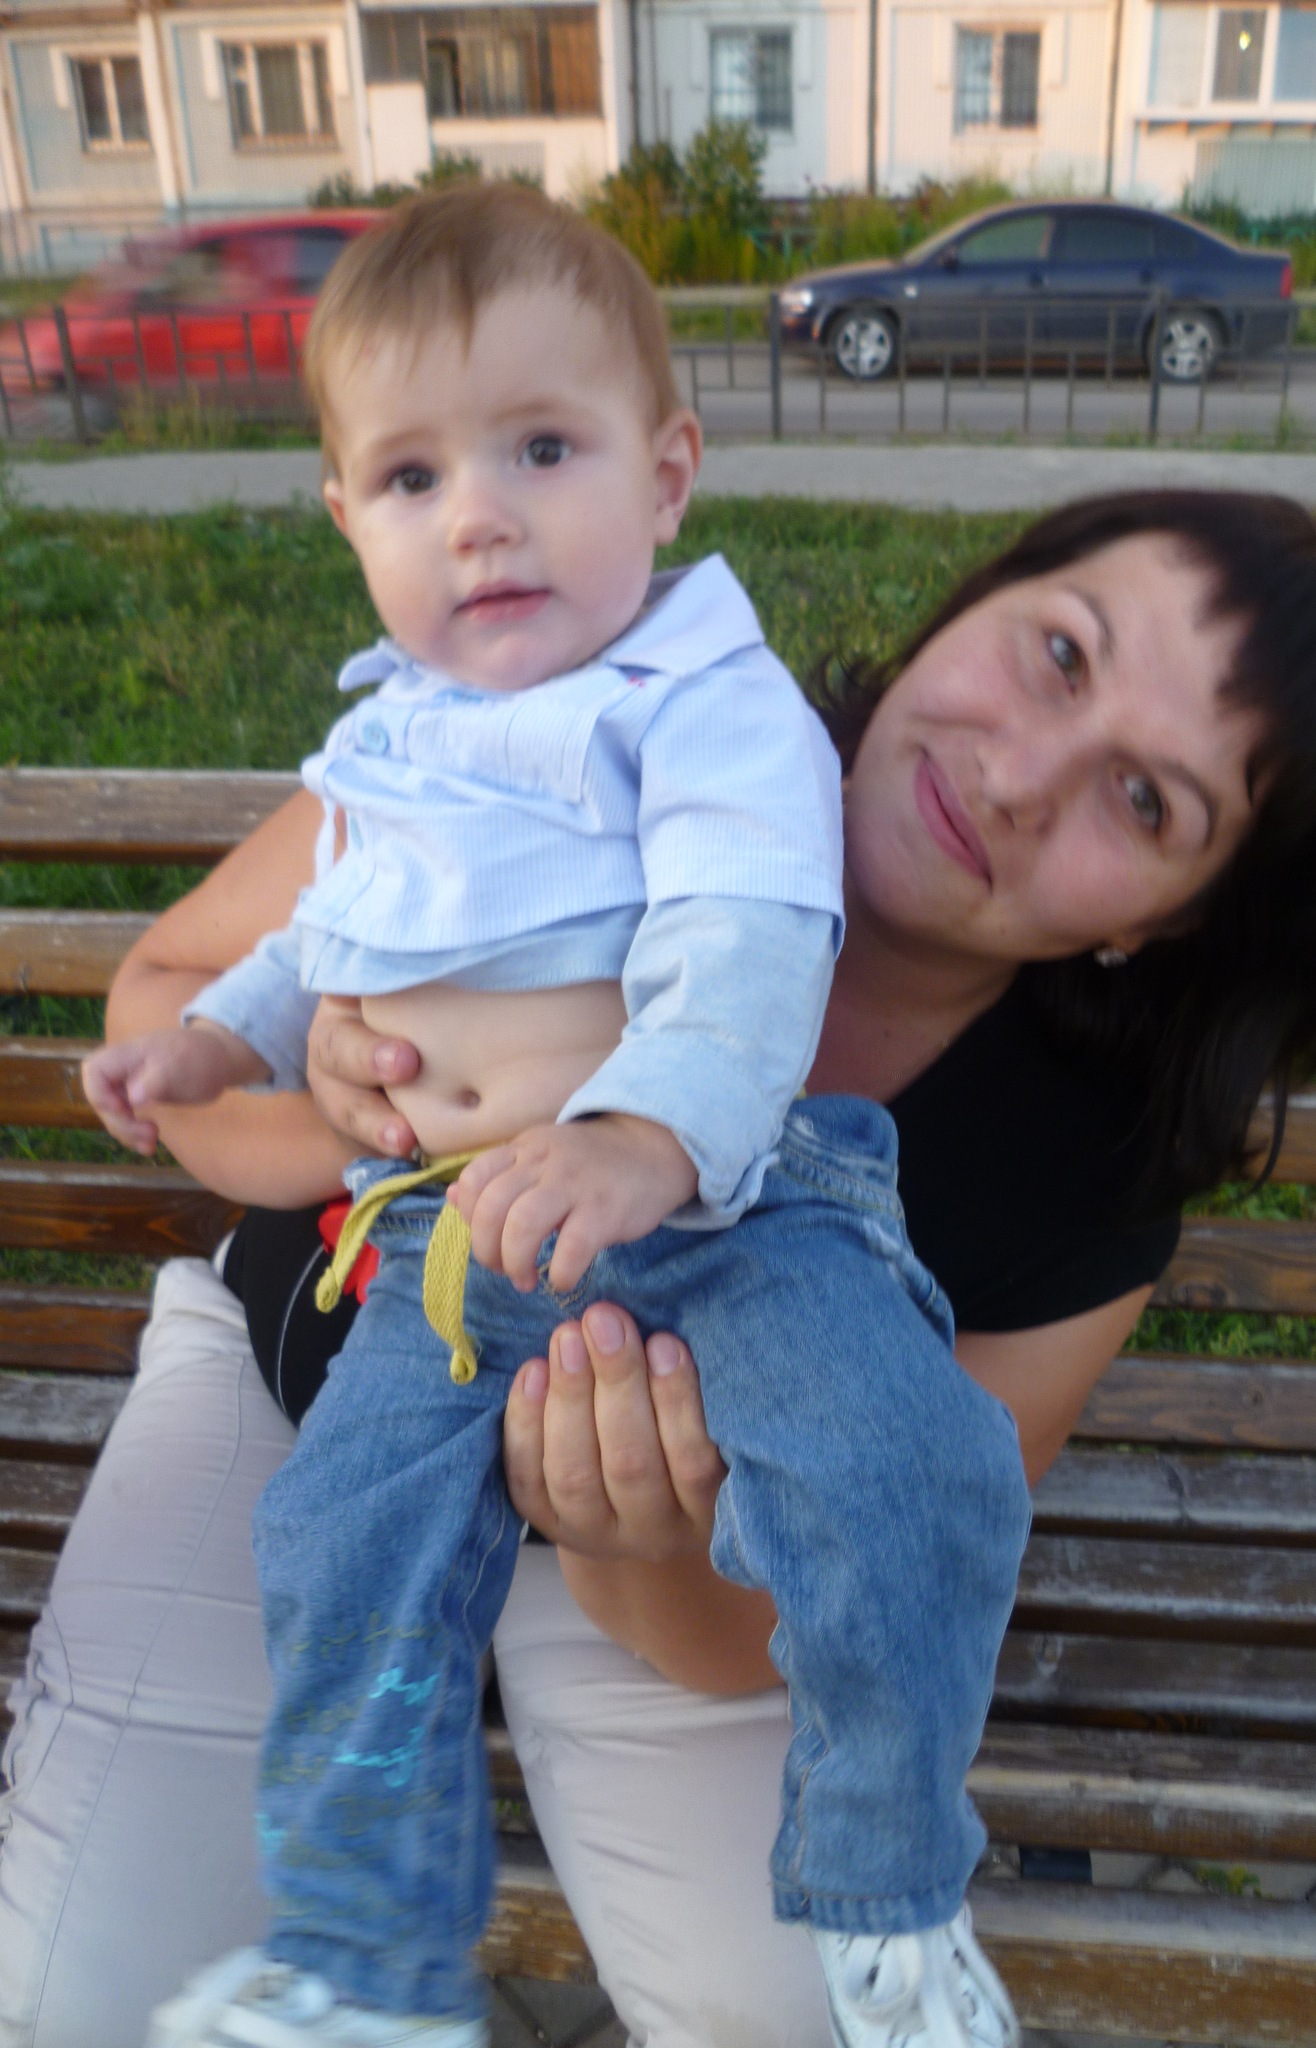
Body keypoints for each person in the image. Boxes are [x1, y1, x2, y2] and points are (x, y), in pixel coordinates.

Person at [0, 489, 1316, 2048]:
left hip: (660, 1571)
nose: (1022, 776)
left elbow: (814, 1606)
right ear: (981, 594)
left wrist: (629, 1541)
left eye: (1148, 803)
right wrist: (347, 1113)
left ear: (1173, 927)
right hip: (298, 1398)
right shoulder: (585, 711)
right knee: (76, 1993)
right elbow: (164, 998)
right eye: (1059, 653)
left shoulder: (1089, 1162)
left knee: (792, 2022)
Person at [83, 178, 1037, 2048]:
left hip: (729, 1213)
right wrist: (212, 1040)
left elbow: (749, 934)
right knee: (336, 1537)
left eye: (541, 447)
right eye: (414, 475)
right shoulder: (393, 731)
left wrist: (642, 1139)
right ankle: (367, 1965)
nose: (482, 514)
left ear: (666, 474)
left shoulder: (700, 695)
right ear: (347, 518)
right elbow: (324, 928)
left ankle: (892, 1895)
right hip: (463, 1241)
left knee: (906, 1463)